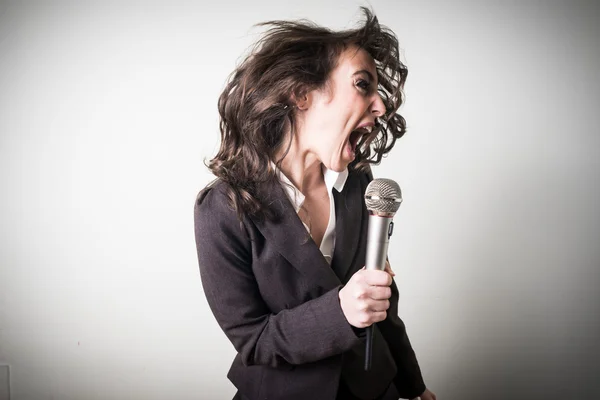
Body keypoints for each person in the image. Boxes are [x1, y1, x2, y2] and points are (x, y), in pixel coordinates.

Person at [194, 7, 437, 400]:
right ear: (302, 93)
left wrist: (414, 384)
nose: (381, 107)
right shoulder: (222, 208)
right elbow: (254, 341)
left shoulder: (360, 184)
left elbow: (381, 304)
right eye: (362, 84)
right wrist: (338, 312)